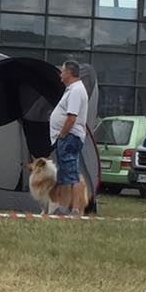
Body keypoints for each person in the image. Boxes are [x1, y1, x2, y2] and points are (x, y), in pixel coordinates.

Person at [49, 61, 89, 215]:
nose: (60, 74)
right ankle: (63, 208)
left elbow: (72, 117)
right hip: (68, 136)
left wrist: (63, 133)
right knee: (65, 173)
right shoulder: (72, 90)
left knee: (72, 174)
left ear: (69, 73)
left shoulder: (76, 91)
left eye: (62, 71)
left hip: (69, 136)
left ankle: (76, 209)